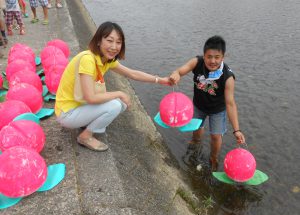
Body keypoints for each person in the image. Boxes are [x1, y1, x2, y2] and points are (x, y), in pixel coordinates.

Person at [55, 21, 170, 152]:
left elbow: (132, 73)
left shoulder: (106, 60)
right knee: (115, 104)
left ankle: (86, 124)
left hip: (79, 105)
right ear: (98, 41)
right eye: (110, 41)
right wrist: (119, 93)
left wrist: (159, 80)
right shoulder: (88, 60)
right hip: (67, 113)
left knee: (121, 104)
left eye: (118, 42)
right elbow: (91, 98)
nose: (114, 47)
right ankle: (85, 136)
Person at [169, 35, 245, 171]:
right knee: (197, 128)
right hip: (199, 105)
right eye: (209, 56)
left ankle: (214, 157)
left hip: (217, 110)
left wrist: (236, 130)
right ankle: (195, 142)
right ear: (204, 55)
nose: (213, 61)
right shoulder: (196, 62)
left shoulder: (228, 77)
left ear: (223, 57)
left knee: (216, 136)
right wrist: (175, 75)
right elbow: (180, 71)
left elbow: (230, 103)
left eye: (217, 57)